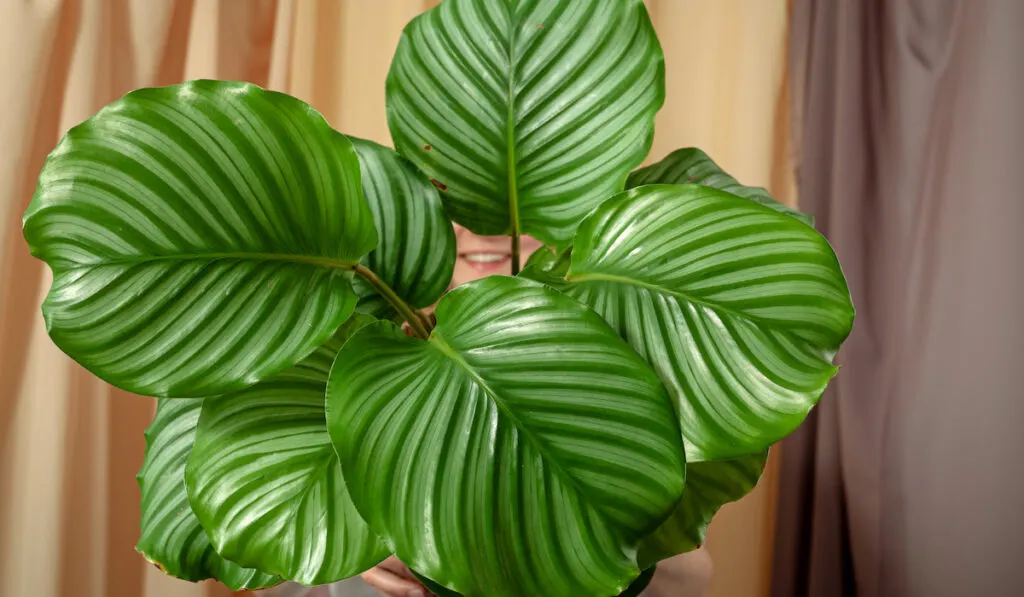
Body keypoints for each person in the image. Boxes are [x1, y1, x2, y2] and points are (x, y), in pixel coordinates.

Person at [357, 225, 714, 597]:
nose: (481, 228)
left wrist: (627, 552)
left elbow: (690, 575)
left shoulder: (620, 347)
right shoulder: (375, 360)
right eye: (451, 189)